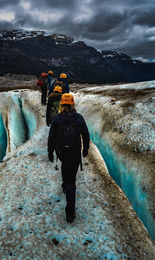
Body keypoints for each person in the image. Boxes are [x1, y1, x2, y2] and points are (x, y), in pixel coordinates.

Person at [48, 93, 90, 223]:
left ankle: (65, 185)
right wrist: (85, 149)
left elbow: (51, 137)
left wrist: (50, 151)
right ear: (72, 104)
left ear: (61, 104)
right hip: (75, 152)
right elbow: (86, 135)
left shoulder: (57, 118)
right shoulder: (79, 118)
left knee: (64, 167)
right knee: (72, 178)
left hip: (62, 152)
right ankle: (70, 212)